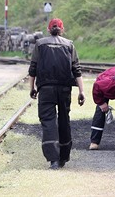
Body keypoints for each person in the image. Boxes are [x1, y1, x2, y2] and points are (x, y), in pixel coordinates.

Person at [28, 18, 85, 170]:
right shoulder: (69, 45)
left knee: (48, 121)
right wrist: (81, 91)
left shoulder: (40, 44)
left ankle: (53, 160)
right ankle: (63, 157)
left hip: (45, 89)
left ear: (48, 29)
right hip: (65, 89)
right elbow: (76, 69)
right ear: (62, 29)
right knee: (64, 119)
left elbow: (33, 68)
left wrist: (32, 88)